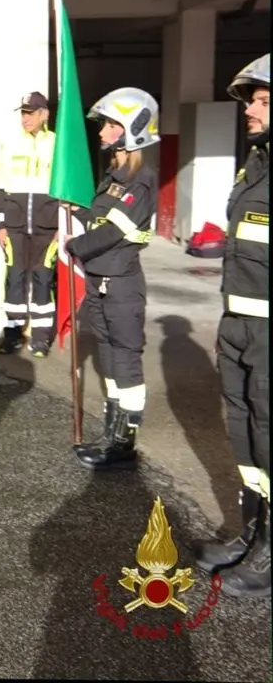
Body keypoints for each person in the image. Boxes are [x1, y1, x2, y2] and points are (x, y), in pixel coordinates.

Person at [194, 53, 269, 599]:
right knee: (246, 441)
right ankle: (251, 535)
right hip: (239, 324)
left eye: (263, 100)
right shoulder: (256, 166)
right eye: (251, 100)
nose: (251, 110)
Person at [65, 87, 159, 471]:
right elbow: (101, 220)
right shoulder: (115, 177)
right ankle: (111, 437)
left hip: (121, 284)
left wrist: (74, 244)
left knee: (126, 363)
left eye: (109, 125)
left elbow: (110, 234)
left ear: (130, 131)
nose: (102, 131)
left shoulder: (142, 179)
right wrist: (76, 210)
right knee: (108, 358)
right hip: (101, 282)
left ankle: (123, 445)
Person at [0, 92, 59, 357]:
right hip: (15, 226)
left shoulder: (58, 144)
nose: (26, 118)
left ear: (45, 114)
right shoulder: (9, 144)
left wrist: (61, 228)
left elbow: (68, 192)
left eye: (31, 112)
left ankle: (40, 338)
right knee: (15, 280)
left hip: (47, 226)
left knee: (43, 279)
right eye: (23, 113)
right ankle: (13, 335)